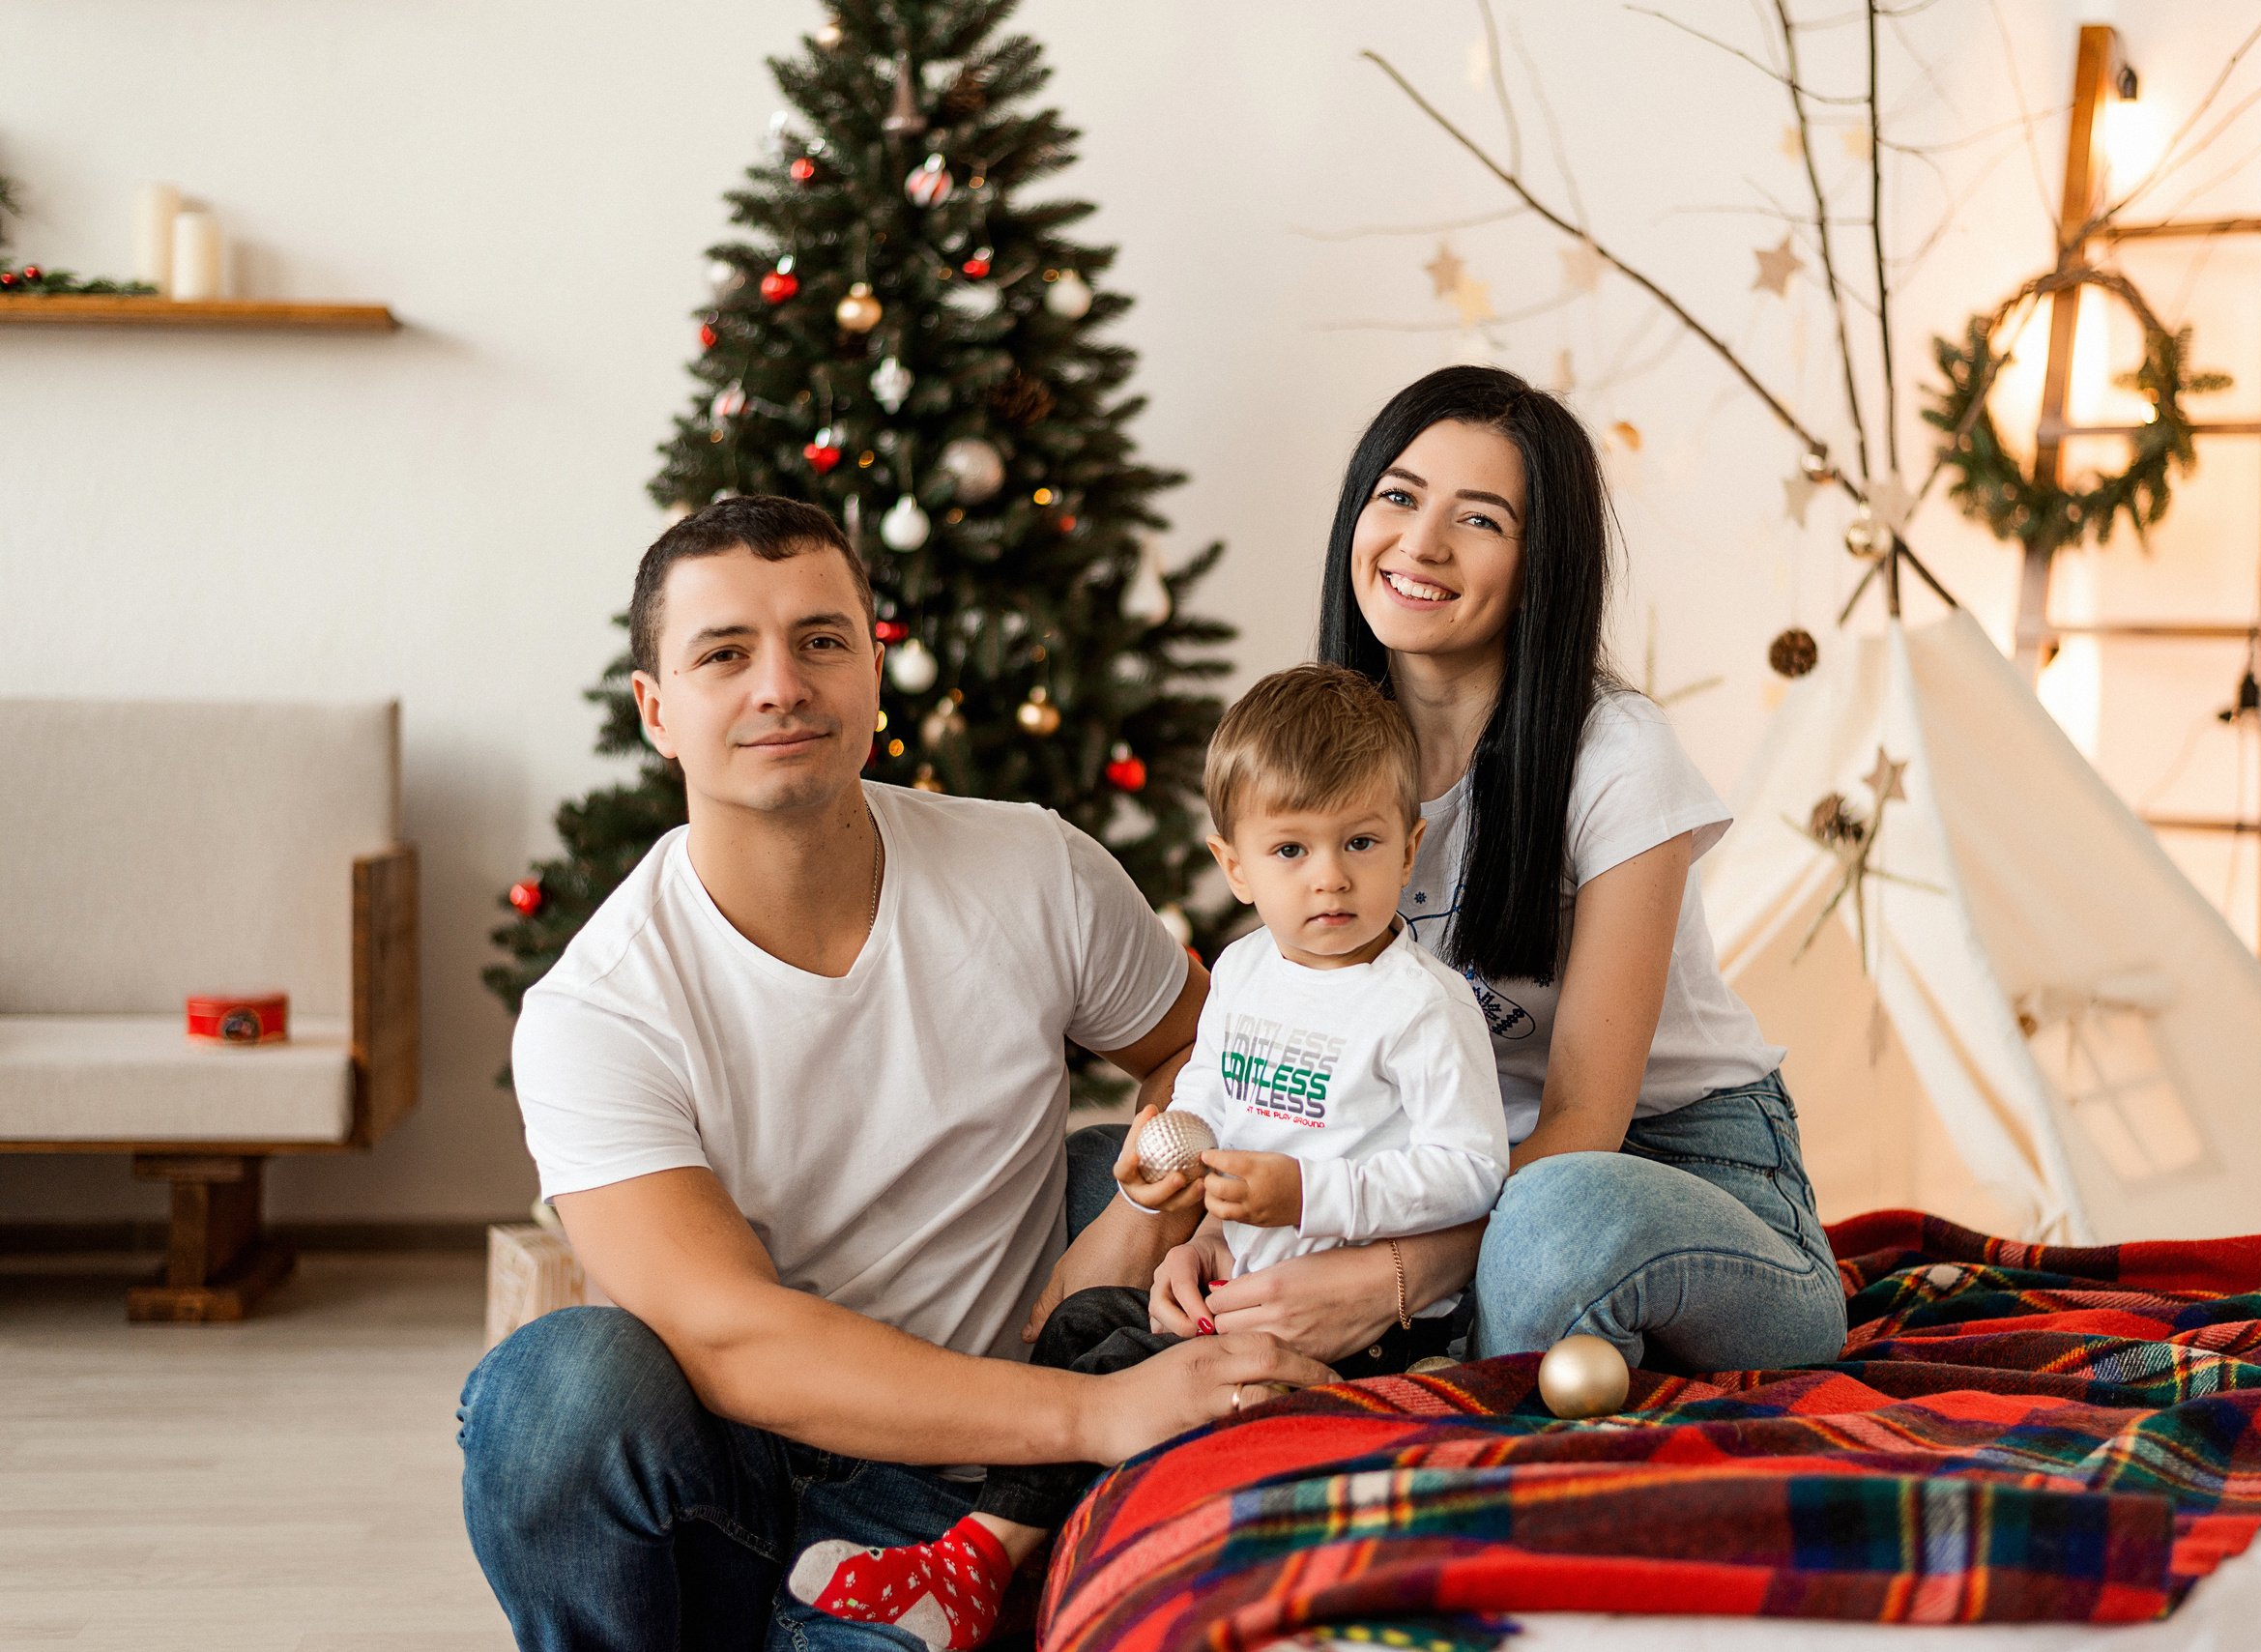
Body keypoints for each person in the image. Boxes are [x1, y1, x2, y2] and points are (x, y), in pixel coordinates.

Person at [457, 496, 1330, 1652]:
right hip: (744, 1474)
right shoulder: (597, 1007)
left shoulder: (1034, 868)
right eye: (726, 654)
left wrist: (1139, 1195)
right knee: (554, 1390)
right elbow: (732, 1336)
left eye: (822, 639)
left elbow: (1208, 1048)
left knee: (1092, 1173)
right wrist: (1099, 1410)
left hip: (986, 1473)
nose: (782, 684)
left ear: (875, 668)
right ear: (656, 711)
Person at [786, 663, 1509, 1651]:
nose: (1329, 876)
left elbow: (1472, 1168)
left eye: (1361, 842)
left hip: (1361, 1328)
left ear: (1409, 843)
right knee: (1086, 1317)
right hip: (1233, 1276)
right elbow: (1208, 1090)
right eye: (1291, 847)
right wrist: (1166, 1180)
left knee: (1126, 1363)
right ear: (1237, 864)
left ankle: (975, 1563)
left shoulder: (1418, 1004)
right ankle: (1012, 1552)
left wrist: (1304, 1189)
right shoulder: (1248, 968)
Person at [1151, 364, 1847, 1377]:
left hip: (1658, 1170)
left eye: (1477, 519)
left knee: (1553, 1225)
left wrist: (1393, 1272)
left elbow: (1580, 1124)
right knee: (1103, 1178)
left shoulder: (1614, 756)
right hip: (1429, 1173)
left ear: (1541, 563)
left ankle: (1463, 1359)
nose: (1420, 543)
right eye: (1397, 496)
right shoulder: (1330, 751)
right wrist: (1218, 1228)